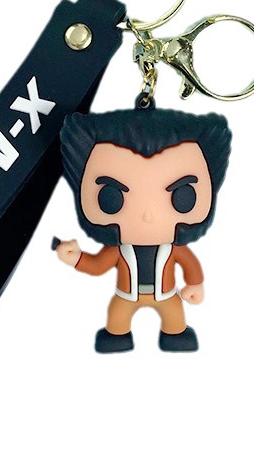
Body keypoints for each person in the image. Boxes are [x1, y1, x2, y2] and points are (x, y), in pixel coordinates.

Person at [56, 106, 232, 353]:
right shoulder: (118, 251)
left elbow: (190, 265)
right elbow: (97, 265)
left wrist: (195, 284)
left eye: (183, 197)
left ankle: (174, 334)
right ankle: (118, 336)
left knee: (174, 318)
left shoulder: (173, 250)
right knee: (117, 318)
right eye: (111, 198)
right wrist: (75, 258)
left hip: (167, 296)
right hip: (126, 296)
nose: (147, 215)